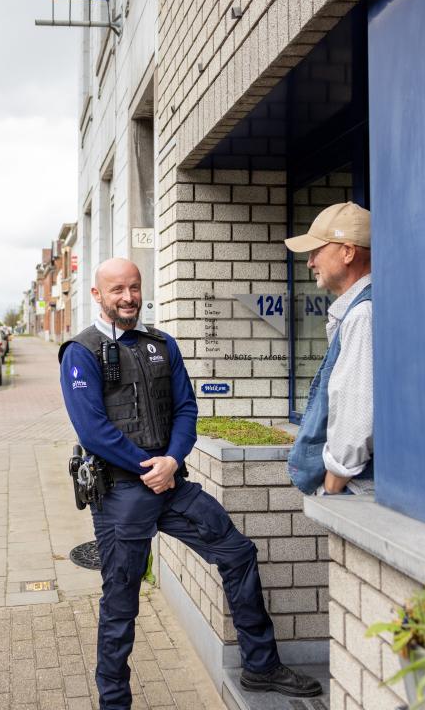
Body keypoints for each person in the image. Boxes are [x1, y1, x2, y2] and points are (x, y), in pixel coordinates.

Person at [59, 257, 321, 708]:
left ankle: (260, 666)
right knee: (121, 604)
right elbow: (93, 431)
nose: (128, 297)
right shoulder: (80, 352)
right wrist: (149, 468)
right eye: (117, 289)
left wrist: (173, 460)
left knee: (238, 553)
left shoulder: (162, 343)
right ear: (97, 295)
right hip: (122, 494)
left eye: (134, 287)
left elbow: (186, 409)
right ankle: (114, 702)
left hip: (172, 486)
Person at [284, 202, 374, 495]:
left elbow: (356, 414)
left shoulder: (363, 314)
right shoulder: (369, 305)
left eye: (316, 251)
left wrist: (333, 483)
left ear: (348, 252)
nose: (310, 262)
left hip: (356, 487)